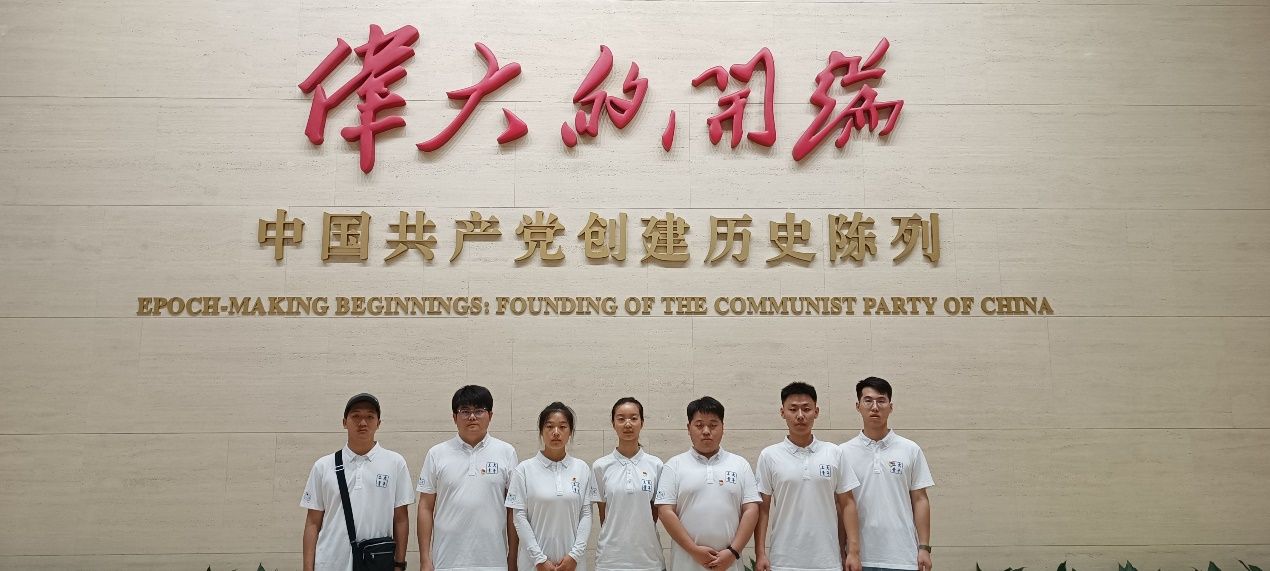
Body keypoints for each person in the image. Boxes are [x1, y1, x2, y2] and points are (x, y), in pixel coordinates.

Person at [755, 382, 862, 571]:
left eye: (806, 409)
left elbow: (847, 503)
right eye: (793, 409)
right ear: (782, 412)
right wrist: (760, 553)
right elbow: (762, 508)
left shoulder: (834, 453)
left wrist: (853, 552)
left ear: (816, 412)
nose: (800, 415)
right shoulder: (769, 456)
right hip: (783, 561)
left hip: (827, 561)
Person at [301, 393, 415, 571]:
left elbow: (400, 519)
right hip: (329, 563)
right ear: (344, 422)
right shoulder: (323, 466)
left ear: (378, 423)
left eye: (370, 416)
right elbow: (312, 522)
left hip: (376, 563)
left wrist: (399, 564)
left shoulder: (395, 463)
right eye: (356, 416)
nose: (363, 422)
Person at [417, 385, 521, 571]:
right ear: (454, 417)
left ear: (490, 415)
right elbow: (425, 506)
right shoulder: (436, 454)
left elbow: (513, 510)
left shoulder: (506, 452)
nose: (472, 417)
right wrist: (425, 559)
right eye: (465, 411)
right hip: (446, 561)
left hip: (493, 560)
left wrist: (512, 558)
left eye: (479, 411)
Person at [655, 396, 760, 571]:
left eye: (713, 425)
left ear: (723, 427)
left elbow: (752, 510)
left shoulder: (740, 464)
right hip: (686, 563)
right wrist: (694, 550)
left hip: (730, 564)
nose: (706, 431)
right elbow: (665, 512)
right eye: (699, 425)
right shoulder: (674, 465)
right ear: (688, 428)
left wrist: (732, 552)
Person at [840, 377, 934, 571]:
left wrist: (924, 548)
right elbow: (840, 506)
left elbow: (920, 499)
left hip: (903, 557)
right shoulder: (842, 453)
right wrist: (843, 550)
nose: (875, 407)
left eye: (881, 401)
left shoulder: (910, 449)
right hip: (859, 558)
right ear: (858, 406)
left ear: (890, 407)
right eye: (868, 401)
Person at [506, 402, 599, 571]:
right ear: (541, 431)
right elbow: (519, 517)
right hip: (534, 565)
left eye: (562, 427)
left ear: (570, 431)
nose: (556, 432)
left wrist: (574, 556)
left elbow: (586, 514)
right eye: (549, 426)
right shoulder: (524, 470)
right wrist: (539, 560)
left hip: (573, 565)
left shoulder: (582, 469)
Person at [592, 397, 665, 571]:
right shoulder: (600, 466)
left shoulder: (656, 465)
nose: (627, 424)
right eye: (621, 419)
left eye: (633, 418)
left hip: (649, 560)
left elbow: (654, 513)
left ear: (642, 422)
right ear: (613, 423)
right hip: (610, 561)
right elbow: (604, 515)